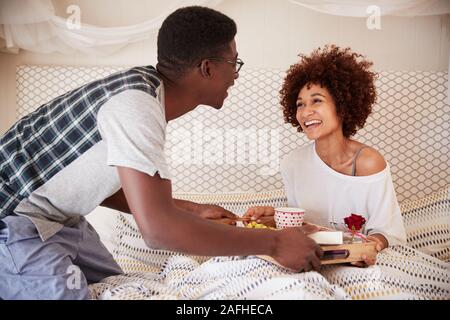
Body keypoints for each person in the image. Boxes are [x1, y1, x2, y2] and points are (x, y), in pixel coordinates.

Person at [0, 6, 322, 300]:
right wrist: (276, 243)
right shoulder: (136, 107)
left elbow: (96, 183)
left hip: (62, 219)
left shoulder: (144, 90)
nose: (236, 74)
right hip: (16, 223)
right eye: (233, 62)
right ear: (207, 68)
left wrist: (193, 211)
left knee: (125, 288)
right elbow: (157, 230)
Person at [244, 45, 407, 267]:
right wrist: (272, 217)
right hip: (309, 257)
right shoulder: (293, 163)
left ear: (342, 105)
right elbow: (305, 225)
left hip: (355, 259)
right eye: (300, 104)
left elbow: (387, 232)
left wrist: (368, 247)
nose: (305, 112)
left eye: (316, 100)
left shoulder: (368, 162)